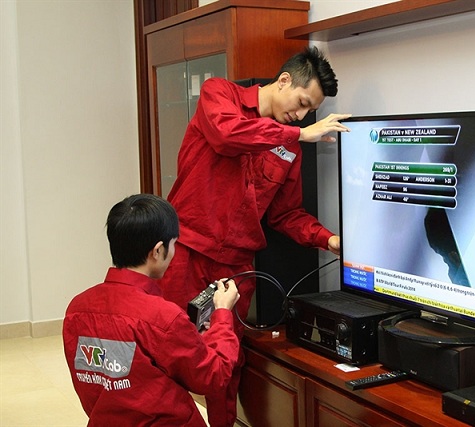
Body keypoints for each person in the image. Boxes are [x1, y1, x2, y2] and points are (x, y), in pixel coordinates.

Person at [158, 46, 350, 426]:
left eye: (309, 112)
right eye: (301, 103)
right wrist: (298, 132)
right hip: (187, 253)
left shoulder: (290, 146)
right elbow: (227, 135)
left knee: (227, 363)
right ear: (284, 80)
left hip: (234, 269)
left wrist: (328, 239)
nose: (301, 115)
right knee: (168, 353)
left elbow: (285, 214)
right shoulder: (219, 94)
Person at [62, 194, 241, 426]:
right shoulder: (163, 317)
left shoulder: (77, 309)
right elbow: (212, 376)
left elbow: (132, 372)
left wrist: (194, 339)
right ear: (157, 251)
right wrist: (223, 314)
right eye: (174, 244)